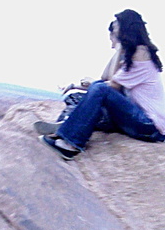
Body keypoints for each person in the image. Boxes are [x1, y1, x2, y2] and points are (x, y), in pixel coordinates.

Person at [41, 9, 165, 159]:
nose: (113, 37)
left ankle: (70, 144)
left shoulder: (142, 53)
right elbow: (105, 77)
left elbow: (110, 85)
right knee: (79, 98)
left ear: (126, 28)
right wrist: (118, 50)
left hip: (149, 126)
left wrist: (119, 47)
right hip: (136, 119)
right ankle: (67, 124)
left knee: (99, 89)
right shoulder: (132, 53)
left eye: (116, 28)